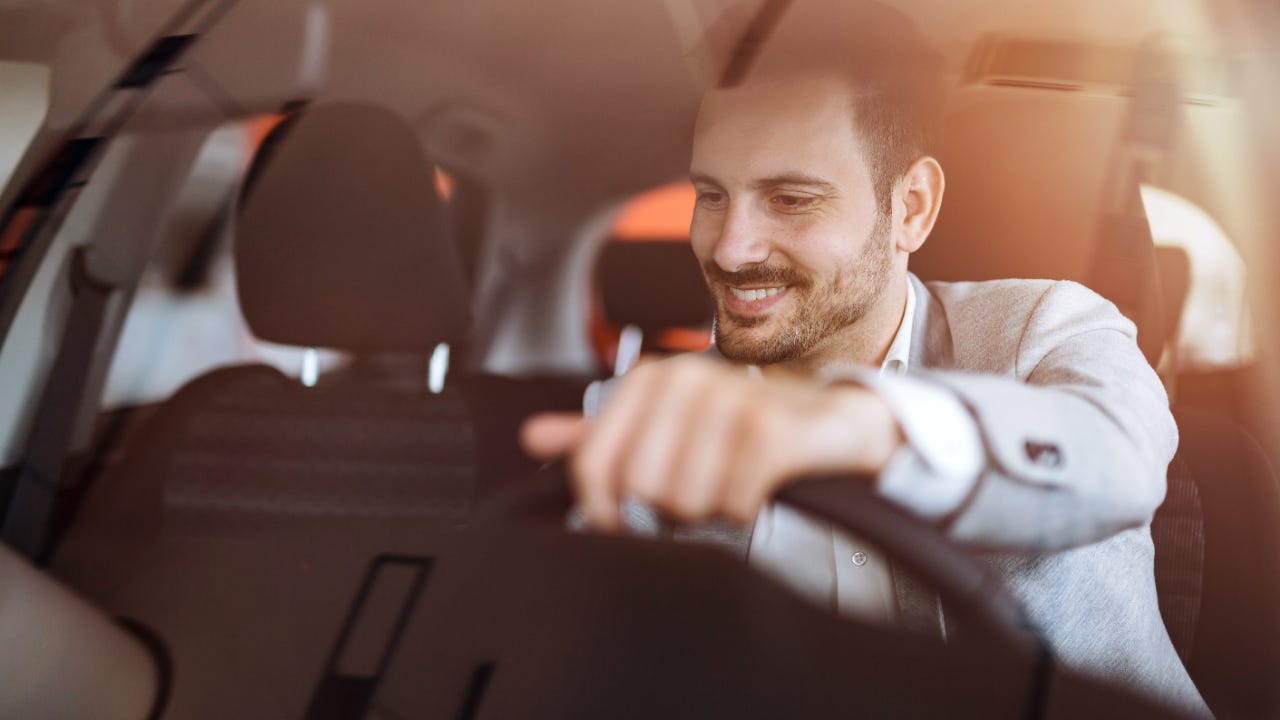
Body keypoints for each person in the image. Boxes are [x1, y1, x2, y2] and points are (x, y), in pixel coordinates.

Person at [522, 1, 1207, 714]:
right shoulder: (647, 408)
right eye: (711, 195)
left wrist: (860, 425)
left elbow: (1116, 460)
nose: (729, 248)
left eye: (790, 200)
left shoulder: (1045, 329)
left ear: (911, 206)